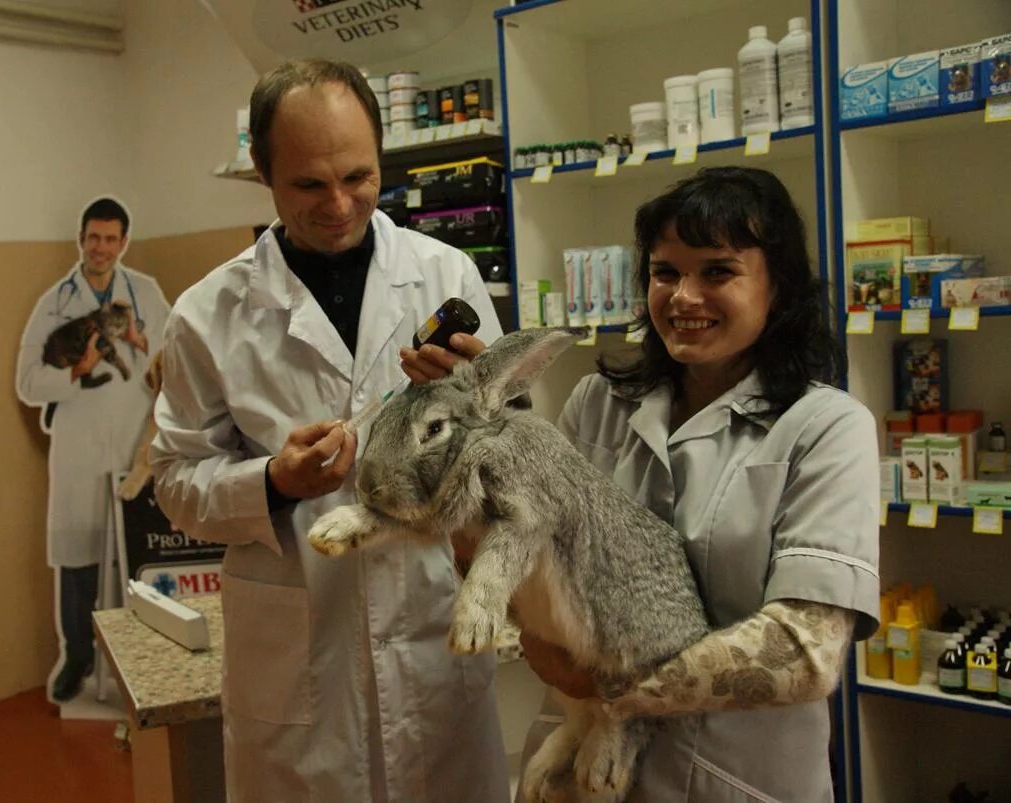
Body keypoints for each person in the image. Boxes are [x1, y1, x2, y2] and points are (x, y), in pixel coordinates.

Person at [149, 59, 509, 802]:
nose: (341, 204)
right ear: (262, 170)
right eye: (311, 184)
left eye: (360, 176)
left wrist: (475, 410)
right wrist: (272, 483)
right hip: (300, 660)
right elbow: (175, 482)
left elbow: (511, 456)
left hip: (432, 640)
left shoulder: (446, 276)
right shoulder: (206, 314)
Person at [503, 166, 881, 802]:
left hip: (736, 778)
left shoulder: (826, 428)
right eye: (665, 272)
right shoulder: (598, 402)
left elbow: (803, 649)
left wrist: (607, 685)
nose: (683, 296)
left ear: (778, 286)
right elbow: (534, 556)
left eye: (718, 271)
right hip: (580, 766)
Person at [16, 197, 171, 703]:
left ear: (124, 242)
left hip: (133, 439)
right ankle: (78, 654)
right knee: (77, 554)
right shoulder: (54, 303)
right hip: (79, 441)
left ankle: (140, 656)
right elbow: (28, 382)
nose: (101, 248)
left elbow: (175, 360)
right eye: (93, 238)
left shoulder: (144, 293)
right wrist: (74, 374)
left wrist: (140, 340)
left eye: (111, 239)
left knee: (135, 550)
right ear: (80, 240)